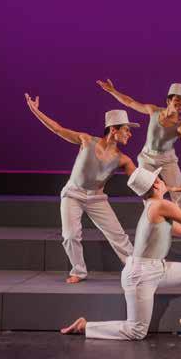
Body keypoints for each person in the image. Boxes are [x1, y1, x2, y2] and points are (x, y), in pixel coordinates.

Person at [61, 167, 181, 339]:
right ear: (156, 185)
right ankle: (85, 326)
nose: (163, 181)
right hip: (141, 273)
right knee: (136, 331)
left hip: (156, 268)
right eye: (159, 179)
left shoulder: (157, 208)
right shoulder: (160, 206)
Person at [25, 95, 137, 284]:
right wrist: (35, 110)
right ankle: (79, 271)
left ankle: (136, 269)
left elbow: (139, 179)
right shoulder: (86, 140)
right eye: (126, 129)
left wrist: (168, 186)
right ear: (113, 129)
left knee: (118, 235)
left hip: (97, 199)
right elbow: (57, 128)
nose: (130, 134)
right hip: (73, 194)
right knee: (70, 235)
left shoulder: (123, 159)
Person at [97, 80, 181, 212]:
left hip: (168, 160)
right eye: (177, 99)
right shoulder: (153, 111)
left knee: (179, 194)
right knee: (148, 192)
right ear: (168, 101)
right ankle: (152, 220)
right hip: (147, 157)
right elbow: (130, 102)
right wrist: (113, 91)